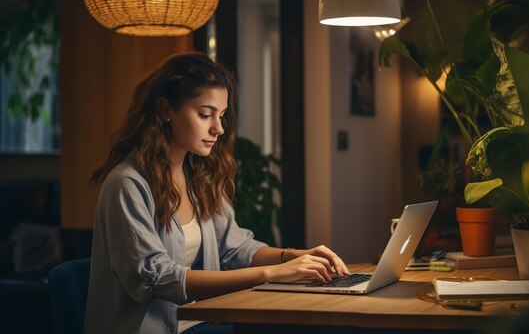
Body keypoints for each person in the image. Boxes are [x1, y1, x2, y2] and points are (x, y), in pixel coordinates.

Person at [84, 52, 349, 334]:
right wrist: (272, 274)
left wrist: (293, 256)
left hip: (202, 325)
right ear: (165, 110)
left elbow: (236, 248)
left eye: (221, 115)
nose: (219, 128)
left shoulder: (199, 177)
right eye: (205, 114)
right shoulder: (127, 183)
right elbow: (155, 278)